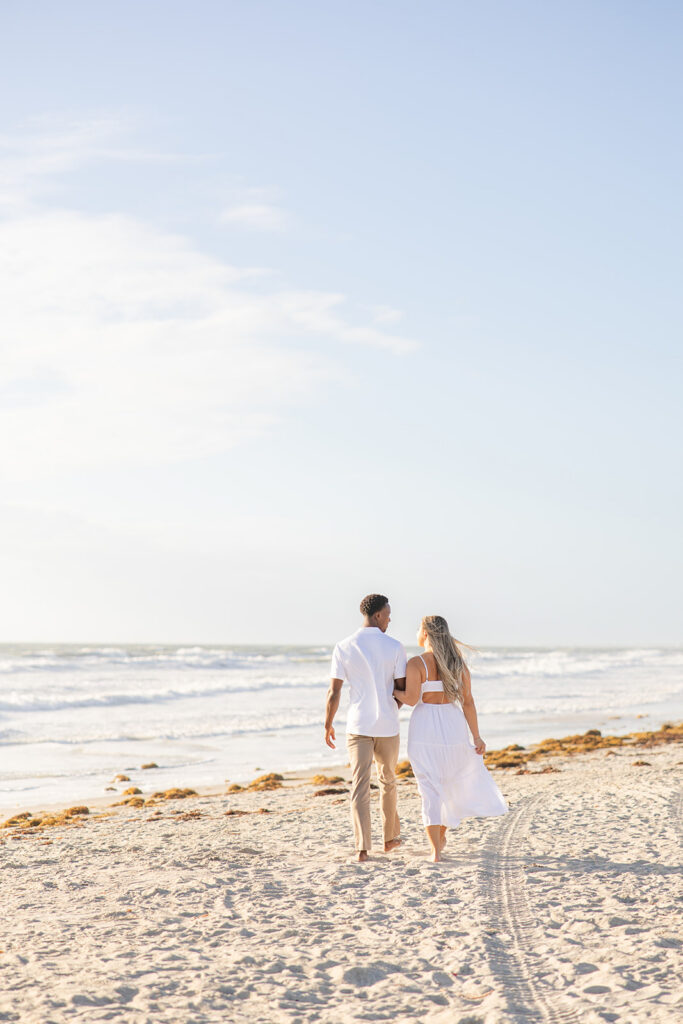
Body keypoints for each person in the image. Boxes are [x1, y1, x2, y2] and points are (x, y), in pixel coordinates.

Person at [395, 614, 507, 861]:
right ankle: (441, 837)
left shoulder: (416, 663)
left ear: (425, 633)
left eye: (418, 629)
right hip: (453, 725)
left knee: (429, 788)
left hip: (425, 728)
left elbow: (412, 699)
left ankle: (435, 850)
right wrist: (477, 737)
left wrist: (392, 690)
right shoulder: (458, 664)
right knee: (449, 784)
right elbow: (468, 702)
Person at [325, 594, 407, 862]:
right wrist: (390, 708)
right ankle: (390, 839)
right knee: (388, 780)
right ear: (379, 615)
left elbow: (334, 691)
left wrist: (328, 724)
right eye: (388, 614)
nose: (390, 619)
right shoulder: (395, 646)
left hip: (357, 725)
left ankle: (362, 848)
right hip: (388, 725)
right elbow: (402, 689)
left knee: (359, 785)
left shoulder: (343, 646)